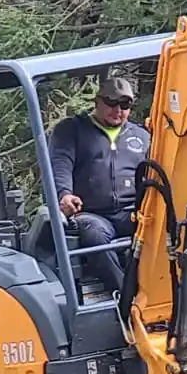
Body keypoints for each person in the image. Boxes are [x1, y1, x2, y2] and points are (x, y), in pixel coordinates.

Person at [48, 75, 150, 293]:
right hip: (93, 213)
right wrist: (64, 194)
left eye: (125, 105)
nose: (118, 110)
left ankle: (164, 289)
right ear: (98, 101)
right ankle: (127, 295)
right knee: (94, 233)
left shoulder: (141, 136)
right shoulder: (72, 131)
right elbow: (60, 164)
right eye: (111, 103)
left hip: (133, 211)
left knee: (164, 226)